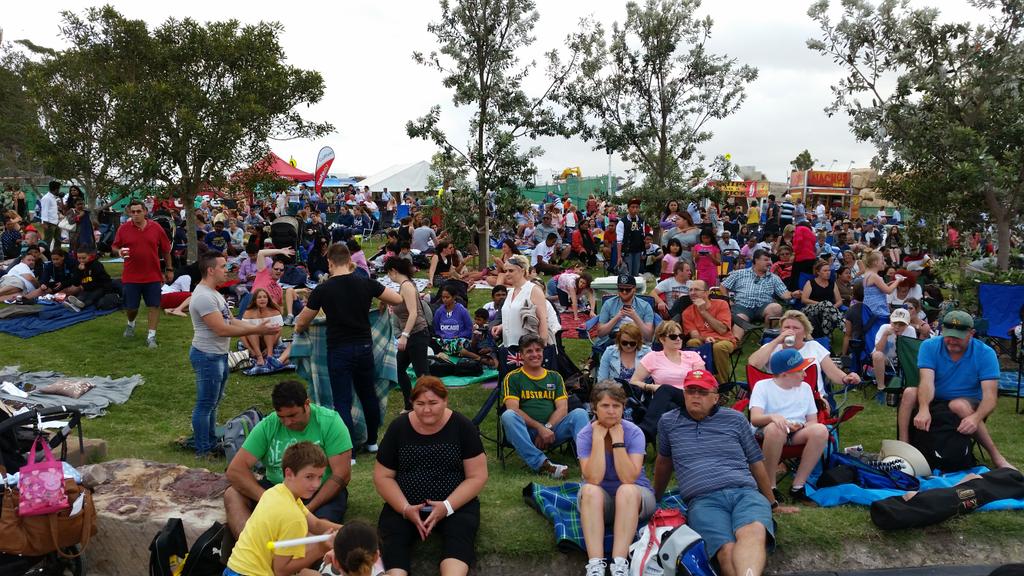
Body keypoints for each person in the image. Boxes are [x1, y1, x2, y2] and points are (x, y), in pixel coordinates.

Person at [653, 369, 787, 576]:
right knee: (726, 550)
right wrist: (655, 500)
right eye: (690, 390)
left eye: (702, 392)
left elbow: (755, 462)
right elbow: (663, 463)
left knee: (752, 532)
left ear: (715, 397)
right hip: (703, 499)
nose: (695, 396)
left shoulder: (735, 419)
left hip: (744, 492)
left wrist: (772, 503)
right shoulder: (668, 422)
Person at [373, 377, 488, 576]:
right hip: (405, 504)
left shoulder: (462, 426)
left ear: (445, 401)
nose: (427, 410)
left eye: (433, 403)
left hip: (454, 505)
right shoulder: (398, 428)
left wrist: (447, 506)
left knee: (460, 536)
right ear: (412, 404)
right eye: (420, 404)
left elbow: (477, 476)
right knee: (393, 540)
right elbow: (383, 476)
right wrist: (405, 508)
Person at [295, 244, 401, 452]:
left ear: (330, 262)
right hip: (363, 347)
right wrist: (381, 303)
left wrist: (301, 327)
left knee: (342, 400)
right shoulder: (365, 282)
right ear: (350, 260)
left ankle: (348, 450)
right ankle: (372, 442)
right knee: (367, 394)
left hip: (339, 349)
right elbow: (397, 298)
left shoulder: (323, 289)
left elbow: (301, 322)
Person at [224, 380, 352, 539]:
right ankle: (250, 542)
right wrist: (271, 500)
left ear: (306, 404)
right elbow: (236, 470)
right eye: (281, 417)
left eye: (292, 415)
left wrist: (307, 509)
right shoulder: (269, 424)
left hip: (317, 491)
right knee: (232, 494)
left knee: (318, 529)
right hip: (277, 489)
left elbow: (342, 474)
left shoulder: (330, 422)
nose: (287, 422)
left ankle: (299, 552)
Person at [188, 253, 279, 457]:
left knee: (213, 402)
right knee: (205, 404)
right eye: (223, 266)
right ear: (211, 270)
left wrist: (258, 325)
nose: (227, 270)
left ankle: (210, 442)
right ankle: (203, 449)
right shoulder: (203, 296)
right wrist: (256, 331)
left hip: (218, 354)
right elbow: (221, 329)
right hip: (207, 355)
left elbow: (231, 321)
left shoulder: (214, 294)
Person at [901, 311, 1013, 470]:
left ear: (971, 334)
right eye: (949, 335)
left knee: (958, 405)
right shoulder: (930, 346)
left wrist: (975, 418)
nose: (952, 341)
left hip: (968, 402)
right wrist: (924, 408)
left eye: (958, 337)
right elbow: (926, 381)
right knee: (909, 393)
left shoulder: (985, 353)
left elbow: (990, 397)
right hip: (936, 399)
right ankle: (903, 448)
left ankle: (997, 457)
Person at [224, 441, 340, 576]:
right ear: (289, 473)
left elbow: (315, 524)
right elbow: (281, 570)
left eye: (320, 477)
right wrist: (320, 549)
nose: (316, 484)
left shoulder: (277, 492)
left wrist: (350, 531)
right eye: (309, 477)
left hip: (232, 569)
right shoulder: (293, 518)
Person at [578, 381, 656, 576]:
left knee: (626, 489)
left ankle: (619, 564)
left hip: (635, 498)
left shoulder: (634, 432)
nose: (611, 411)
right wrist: (597, 438)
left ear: (623, 408)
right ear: (594, 408)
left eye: (616, 406)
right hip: (599, 501)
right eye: (605, 406)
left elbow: (629, 477)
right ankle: (595, 565)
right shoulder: (585, 435)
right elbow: (594, 478)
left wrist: (618, 442)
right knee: (588, 489)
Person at [501, 334, 589, 478]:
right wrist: (539, 428)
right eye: (529, 351)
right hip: (526, 433)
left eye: (538, 350)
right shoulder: (513, 377)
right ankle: (542, 464)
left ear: (543, 352)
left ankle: (588, 467)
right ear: (521, 355)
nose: (535, 354)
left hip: (553, 431)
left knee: (580, 413)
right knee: (508, 415)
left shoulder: (554, 376)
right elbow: (513, 408)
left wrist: (547, 428)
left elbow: (562, 408)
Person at [749, 349, 828, 503]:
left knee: (820, 430)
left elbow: (813, 420)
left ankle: (798, 486)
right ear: (785, 374)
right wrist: (773, 417)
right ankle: (769, 487)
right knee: (776, 429)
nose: (805, 375)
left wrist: (801, 425)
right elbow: (755, 419)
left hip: (796, 433)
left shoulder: (805, 388)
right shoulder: (763, 386)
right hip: (768, 432)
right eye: (800, 371)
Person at [747, 310, 861, 397]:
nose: (790, 331)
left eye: (796, 328)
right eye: (786, 327)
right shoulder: (772, 347)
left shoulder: (814, 347)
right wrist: (777, 340)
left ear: (805, 333)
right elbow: (753, 364)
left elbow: (833, 373)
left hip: (812, 398)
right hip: (779, 398)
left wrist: (847, 378)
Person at [630, 320, 706, 440]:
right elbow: (634, 381)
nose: (678, 339)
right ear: (662, 339)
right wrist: (652, 387)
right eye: (673, 336)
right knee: (668, 405)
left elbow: (702, 381)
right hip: (667, 402)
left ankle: (645, 432)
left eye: (680, 336)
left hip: (691, 396)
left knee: (665, 389)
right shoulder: (653, 357)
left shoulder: (692, 356)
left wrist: (662, 388)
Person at [113, 199, 172, 348]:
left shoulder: (156, 228)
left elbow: (165, 250)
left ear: (145, 211)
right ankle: (131, 323)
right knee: (132, 308)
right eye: (133, 212)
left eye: (139, 211)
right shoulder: (123, 229)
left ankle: (151, 336)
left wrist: (169, 269)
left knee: (154, 305)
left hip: (153, 275)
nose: (136, 214)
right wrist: (119, 251)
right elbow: (114, 246)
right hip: (131, 276)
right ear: (129, 213)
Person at [385, 256, 430, 413]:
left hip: (417, 333)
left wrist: (404, 335)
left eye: (388, 274)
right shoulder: (403, 286)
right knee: (399, 368)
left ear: (393, 271)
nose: (389, 277)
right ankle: (410, 404)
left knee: (422, 374)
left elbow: (413, 314)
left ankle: (431, 405)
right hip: (411, 334)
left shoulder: (407, 286)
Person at [720, 249, 793, 341]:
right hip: (742, 306)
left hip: (763, 307)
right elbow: (723, 286)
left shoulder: (774, 278)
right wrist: (728, 300)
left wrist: (793, 294)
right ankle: (735, 342)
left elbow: (784, 294)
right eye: (766, 260)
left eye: (770, 260)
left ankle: (767, 337)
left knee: (776, 308)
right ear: (756, 260)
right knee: (740, 318)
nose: (770, 263)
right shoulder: (739, 273)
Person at [682, 280, 737, 385]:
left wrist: (703, 311)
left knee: (718, 347)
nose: (692, 292)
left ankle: (722, 386)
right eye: (690, 290)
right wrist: (705, 339)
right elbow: (694, 335)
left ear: (706, 293)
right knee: (692, 343)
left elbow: (722, 330)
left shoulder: (721, 304)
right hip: (703, 340)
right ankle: (698, 381)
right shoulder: (687, 312)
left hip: (724, 340)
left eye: (696, 290)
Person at [593, 274, 655, 348]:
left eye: (628, 289)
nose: (624, 292)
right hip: (614, 339)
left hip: (637, 340)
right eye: (621, 289)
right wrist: (617, 317)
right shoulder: (609, 304)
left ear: (634, 289)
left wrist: (635, 317)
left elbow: (649, 336)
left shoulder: (645, 306)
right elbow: (601, 333)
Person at [870, 308, 917, 393]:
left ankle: (908, 385)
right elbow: (878, 349)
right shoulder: (884, 328)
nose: (897, 327)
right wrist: (885, 335)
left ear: (908, 324)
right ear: (890, 321)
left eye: (901, 324)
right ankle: (881, 387)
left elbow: (911, 352)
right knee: (877, 355)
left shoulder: (910, 330)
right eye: (895, 323)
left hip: (900, 358)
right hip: (884, 358)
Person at [254, 247, 304, 325]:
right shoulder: (263, 274)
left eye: (281, 270)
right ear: (271, 269)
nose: (278, 271)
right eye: (276, 269)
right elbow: (261, 253)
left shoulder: (279, 289)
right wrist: (280, 251)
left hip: (266, 317)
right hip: (253, 309)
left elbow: (280, 308)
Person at [239, 288, 286, 367]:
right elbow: (242, 333)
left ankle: (269, 355)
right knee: (252, 330)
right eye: (259, 297)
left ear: (268, 299)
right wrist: (250, 350)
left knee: (269, 328)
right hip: (253, 342)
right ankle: (259, 356)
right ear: (255, 300)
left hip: (271, 341)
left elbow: (278, 332)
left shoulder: (275, 312)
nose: (262, 299)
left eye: (265, 297)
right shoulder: (248, 313)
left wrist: (268, 349)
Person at [800, 259, 845, 338]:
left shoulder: (832, 283)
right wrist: (824, 305)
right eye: (825, 270)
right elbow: (804, 299)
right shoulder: (810, 282)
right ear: (818, 272)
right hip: (811, 309)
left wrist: (830, 308)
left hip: (828, 310)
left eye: (829, 270)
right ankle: (844, 328)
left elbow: (839, 301)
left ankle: (826, 340)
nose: (828, 272)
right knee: (826, 303)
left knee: (827, 312)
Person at [861, 250, 902, 320]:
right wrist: (898, 280)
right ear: (875, 262)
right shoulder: (875, 276)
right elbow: (888, 291)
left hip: (868, 306)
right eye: (882, 260)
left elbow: (875, 289)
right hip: (877, 308)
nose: (884, 263)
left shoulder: (867, 274)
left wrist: (887, 284)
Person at [616, 198, 646, 277]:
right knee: (627, 273)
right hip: (627, 251)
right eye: (632, 207)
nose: (635, 209)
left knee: (636, 274)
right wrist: (619, 256)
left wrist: (643, 251)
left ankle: (634, 289)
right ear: (628, 208)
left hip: (637, 251)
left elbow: (643, 236)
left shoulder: (641, 221)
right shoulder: (622, 222)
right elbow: (619, 241)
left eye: (637, 207)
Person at [39, 180, 61, 251]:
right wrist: (44, 223)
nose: (59, 191)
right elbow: (44, 211)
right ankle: (46, 255)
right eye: (58, 189)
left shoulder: (53, 197)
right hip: (49, 223)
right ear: (56, 189)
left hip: (56, 222)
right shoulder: (46, 198)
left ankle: (57, 253)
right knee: (47, 241)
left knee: (58, 240)